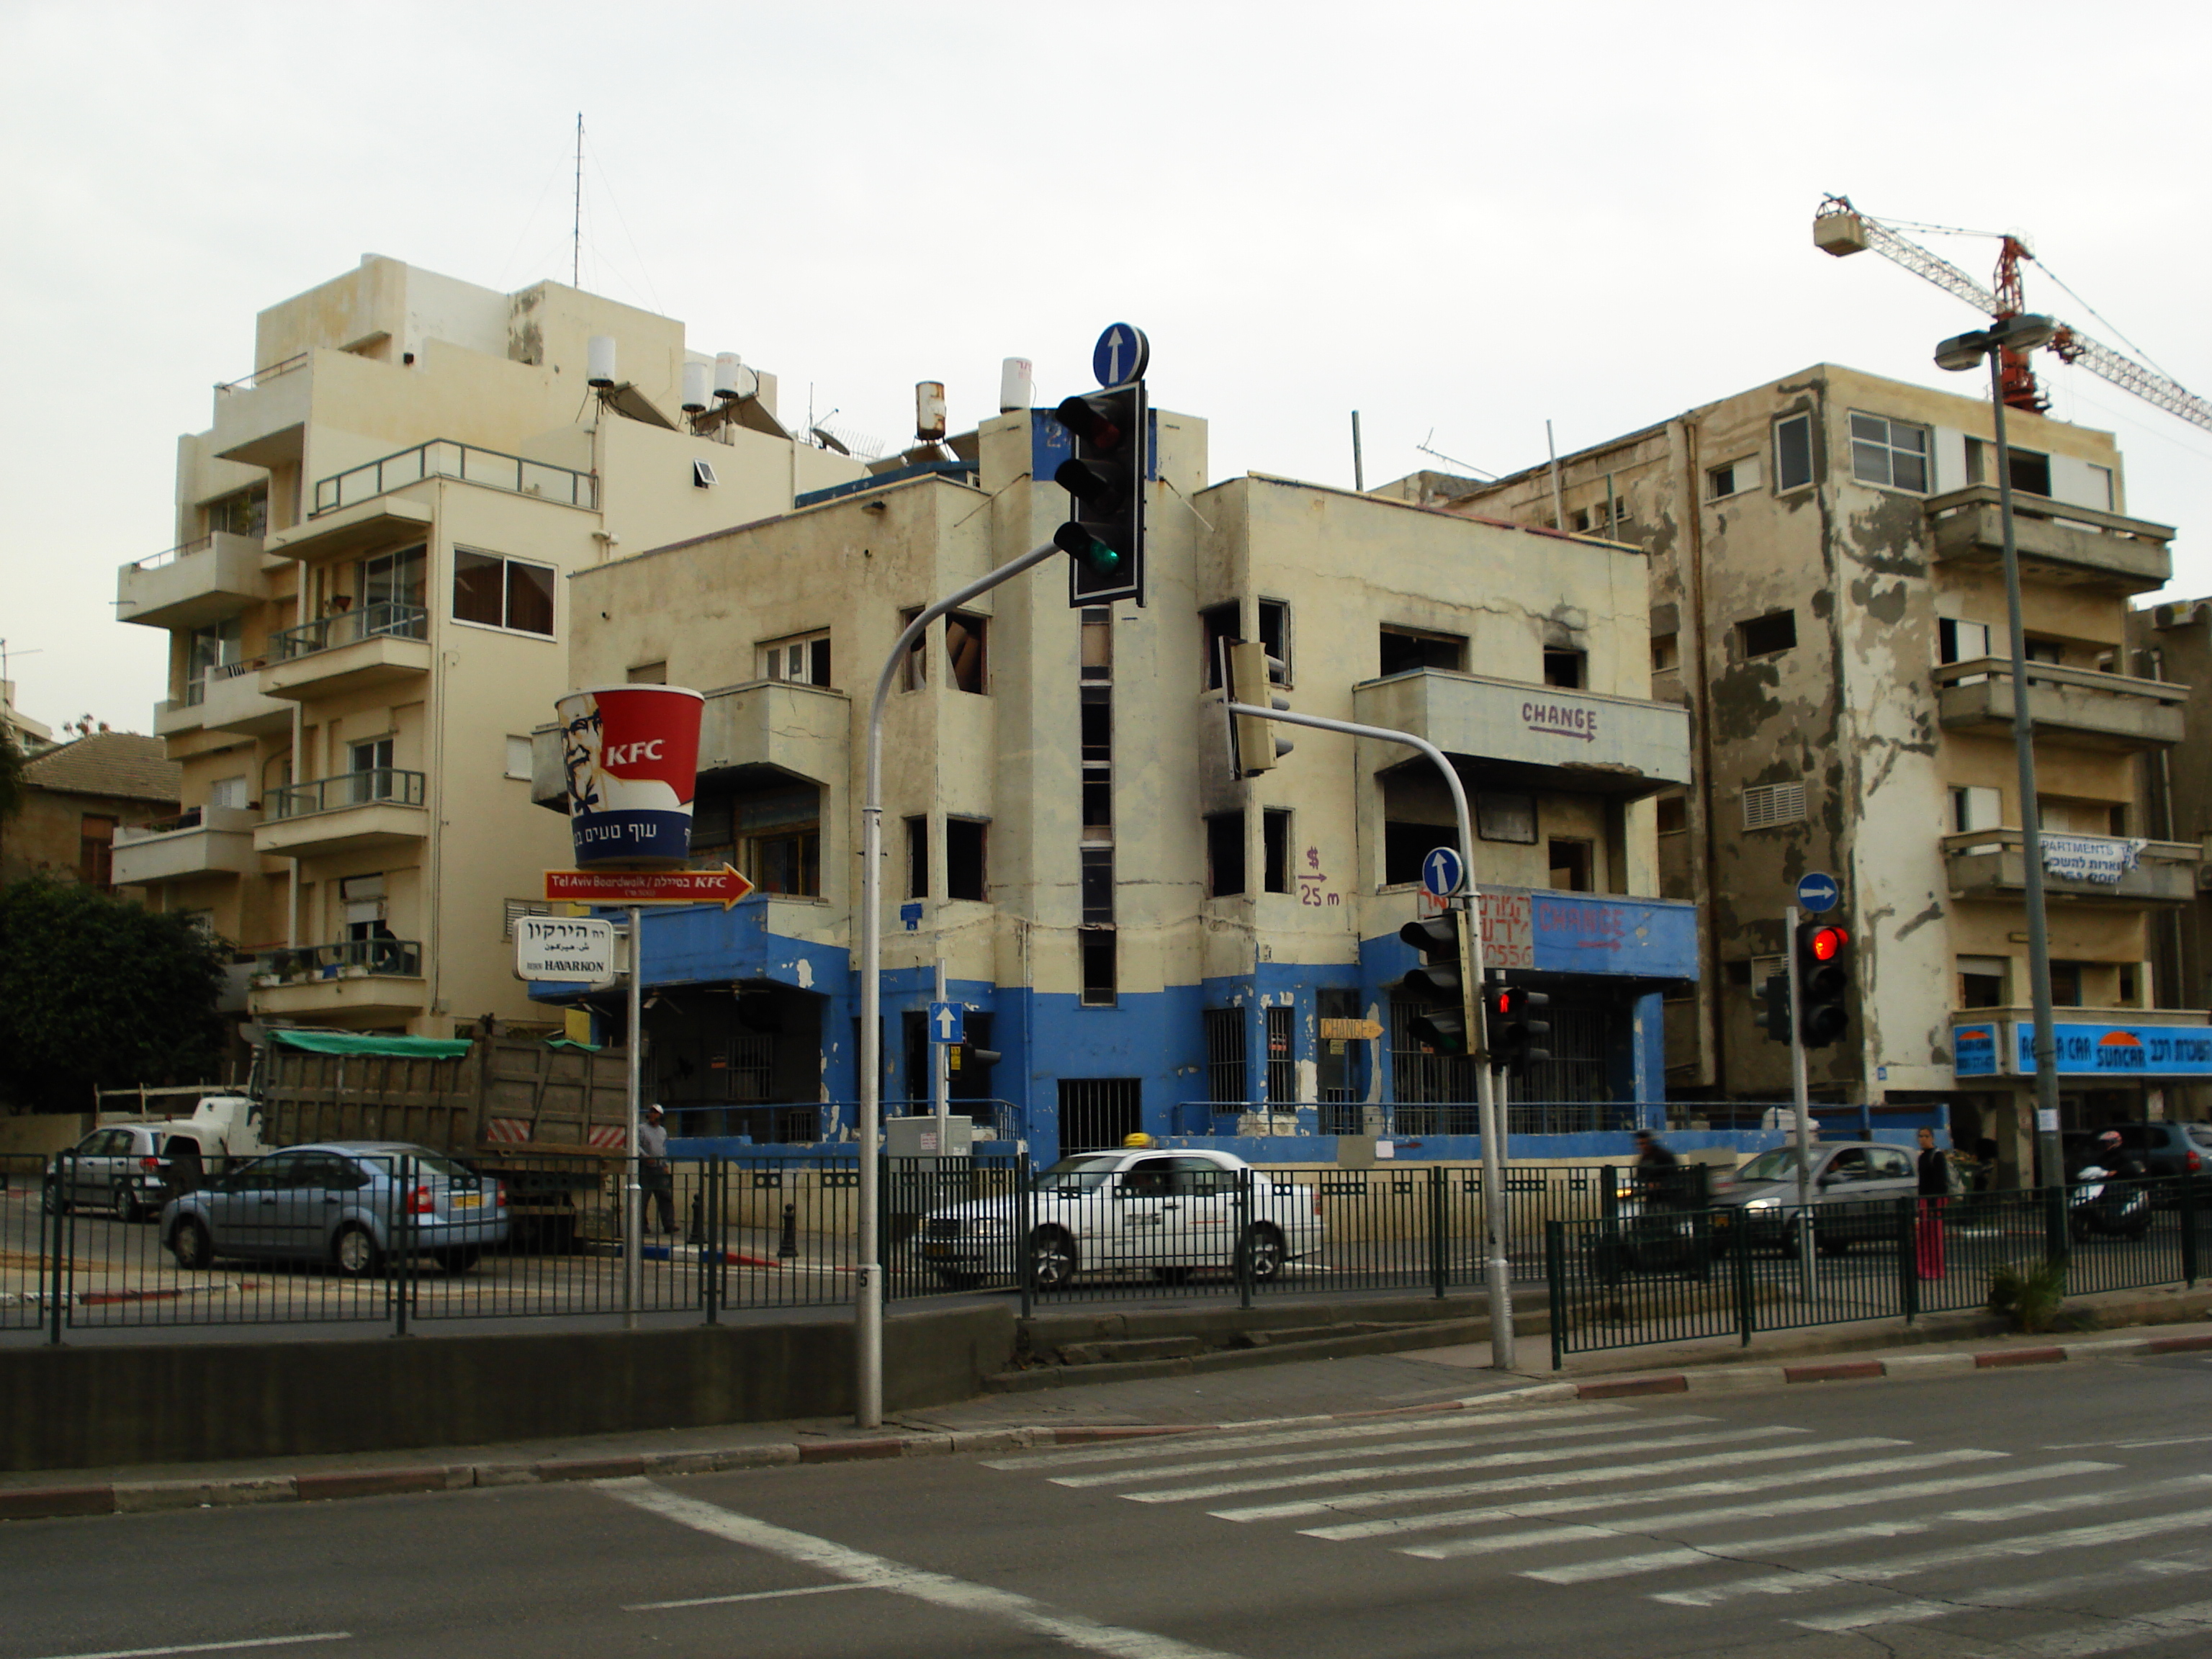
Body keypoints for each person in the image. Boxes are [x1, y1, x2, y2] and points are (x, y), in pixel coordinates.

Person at [1915, 1126, 1948, 1280]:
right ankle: (1922, 1268)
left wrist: (1934, 1206)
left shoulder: (1938, 1156)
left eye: (1926, 1136)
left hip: (1935, 1201)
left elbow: (1940, 1182)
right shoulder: (1921, 1157)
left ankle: (1936, 1270)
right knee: (1923, 1237)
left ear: (1932, 1138)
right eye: (1920, 1136)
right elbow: (1922, 1183)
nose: (1922, 1139)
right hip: (1924, 1201)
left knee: (1934, 1237)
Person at [639, 1103, 675, 1236]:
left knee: (665, 1196)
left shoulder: (662, 1131)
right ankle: (642, 1225)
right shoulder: (642, 1129)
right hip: (646, 1168)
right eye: (652, 1112)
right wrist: (645, 1157)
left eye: (656, 1113)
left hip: (659, 1167)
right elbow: (636, 1145)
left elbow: (663, 1148)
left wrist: (665, 1164)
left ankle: (669, 1224)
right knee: (643, 1198)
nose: (653, 1115)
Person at [1633, 1130, 1682, 1210]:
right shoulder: (1644, 1158)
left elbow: (1673, 1174)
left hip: (1666, 1197)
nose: (1641, 1147)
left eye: (1643, 1143)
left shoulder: (1663, 1155)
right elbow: (1639, 1175)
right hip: (1652, 1196)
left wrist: (1659, 1184)